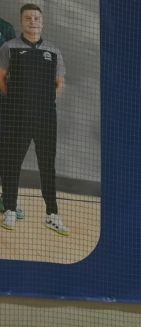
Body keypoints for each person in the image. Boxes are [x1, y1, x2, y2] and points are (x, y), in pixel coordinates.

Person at [0, 3, 67, 236]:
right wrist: (17, 102)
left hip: (46, 119)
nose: (32, 22)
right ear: (21, 22)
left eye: (36, 18)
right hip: (17, 116)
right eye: (28, 18)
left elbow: (59, 83)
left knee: (47, 165)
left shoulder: (54, 51)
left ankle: (52, 214)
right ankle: (10, 209)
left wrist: (43, 103)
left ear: (42, 21)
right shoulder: (9, 47)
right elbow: (2, 79)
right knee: (12, 162)